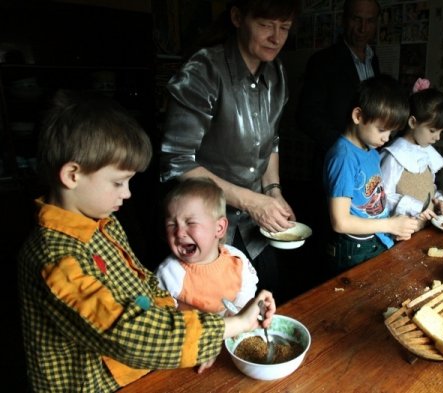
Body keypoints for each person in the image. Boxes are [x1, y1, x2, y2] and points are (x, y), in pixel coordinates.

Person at [17, 90, 276, 392]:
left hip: (136, 372)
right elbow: (125, 332)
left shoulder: (104, 223)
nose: (127, 193)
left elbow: (144, 290)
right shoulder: (54, 258)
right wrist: (234, 326)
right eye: (117, 182)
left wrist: (204, 333)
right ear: (72, 175)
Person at [159, 0, 301, 298]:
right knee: (216, 308)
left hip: (253, 225)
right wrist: (252, 201)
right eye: (265, 25)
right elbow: (178, 161)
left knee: (270, 295)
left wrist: (273, 190)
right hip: (204, 225)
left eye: (284, 28)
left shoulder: (276, 75)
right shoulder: (203, 71)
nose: (276, 38)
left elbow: (271, 139)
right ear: (238, 17)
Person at [323, 74, 419, 274]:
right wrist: (391, 225)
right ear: (358, 116)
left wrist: (395, 227)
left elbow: (372, 203)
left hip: (375, 238)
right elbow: (340, 222)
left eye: (391, 133)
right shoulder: (344, 157)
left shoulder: (372, 152)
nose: (386, 139)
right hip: (354, 248)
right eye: (382, 130)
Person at [156, 177, 258, 315]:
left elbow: (247, 290)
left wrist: (240, 310)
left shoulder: (237, 260)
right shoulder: (168, 274)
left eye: (191, 223)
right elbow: (161, 319)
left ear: (219, 228)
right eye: (171, 224)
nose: (179, 233)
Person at [297, 0, 381, 153]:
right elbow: (306, 116)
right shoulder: (323, 61)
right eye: (356, 19)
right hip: (336, 158)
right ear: (344, 20)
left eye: (370, 21)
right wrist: (345, 147)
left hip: (369, 156)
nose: (363, 28)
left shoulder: (374, 60)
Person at [380, 78, 443, 231]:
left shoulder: (427, 153)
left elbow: (429, 187)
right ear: (413, 123)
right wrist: (416, 207)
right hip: (403, 231)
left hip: (426, 227)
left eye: (441, 132)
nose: (438, 138)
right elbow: (383, 197)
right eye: (432, 131)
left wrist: (440, 200)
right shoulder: (394, 156)